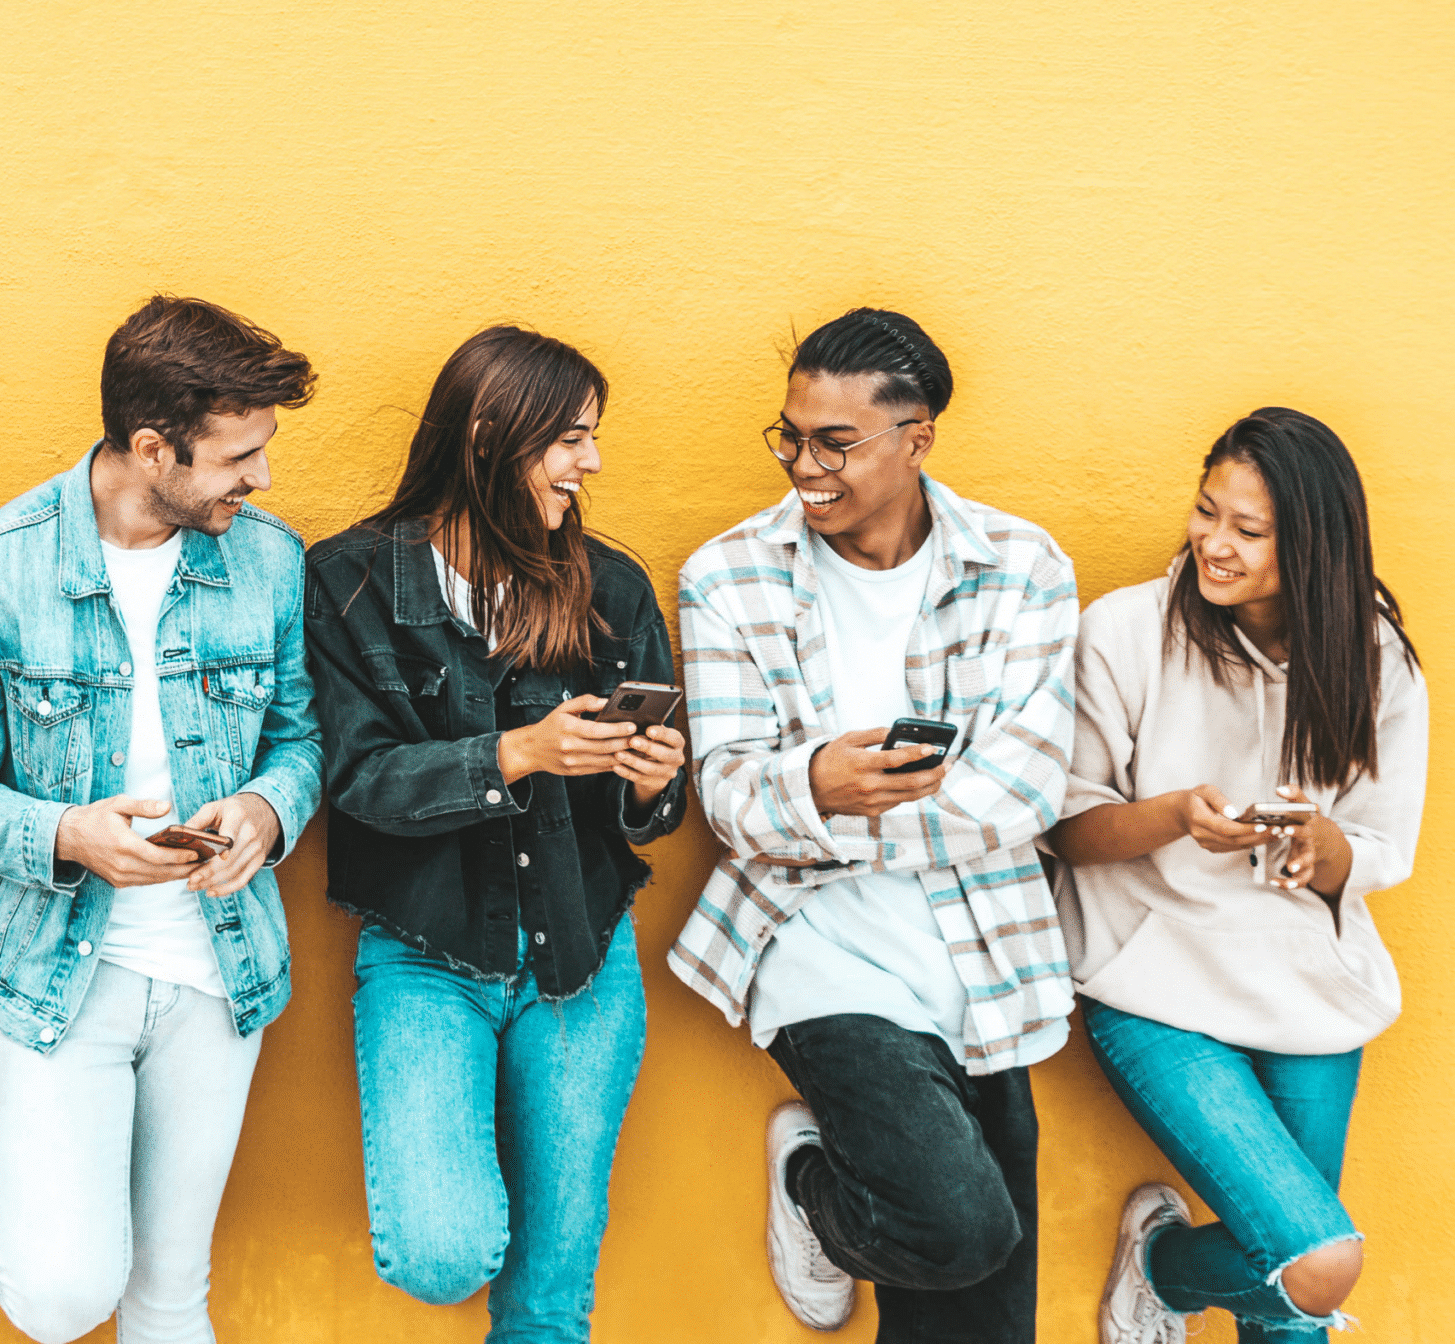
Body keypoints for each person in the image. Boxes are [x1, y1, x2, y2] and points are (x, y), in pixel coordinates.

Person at [0, 296, 322, 1344]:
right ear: (152, 449)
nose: (259, 478)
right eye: (237, 457)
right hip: (55, 973)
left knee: (171, 1291)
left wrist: (267, 812)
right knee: (60, 1293)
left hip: (217, 971)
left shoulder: (269, 561)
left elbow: (301, 740)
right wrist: (66, 836)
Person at [668, 307, 1078, 1343]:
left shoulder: (1023, 567)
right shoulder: (726, 577)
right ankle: (814, 1181)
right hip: (817, 948)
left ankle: (835, 1187)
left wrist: (813, 800)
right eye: (790, 435)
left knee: (984, 1316)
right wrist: (813, 785)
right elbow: (726, 797)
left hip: (984, 950)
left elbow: (1024, 795)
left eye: (835, 441)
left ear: (916, 437)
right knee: (954, 1226)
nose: (804, 465)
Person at [303, 326, 687, 1343]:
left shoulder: (610, 588)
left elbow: (648, 812)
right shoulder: (349, 580)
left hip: (582, 960)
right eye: (568, 438)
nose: (590, 463)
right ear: (487, 436)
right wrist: (515, 755)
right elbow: (354, 782)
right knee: (442, 1253)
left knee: (549, 1300)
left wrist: (651, 785)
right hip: (428, 957)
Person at [1048, 409, 1424, 1344]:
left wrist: (1327, 849)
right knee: (1315, 1262)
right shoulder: (1125, 631)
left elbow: (1382, 845)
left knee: (1295, 1299)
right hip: (1153, 979)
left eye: (1248, 531)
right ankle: (1166, 1270)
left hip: (1307, 987)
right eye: (1206, 510)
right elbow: (1064, 826)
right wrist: (1175, 815)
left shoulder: (1373, 655)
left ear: (1314, 545)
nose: (1214, 543)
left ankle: (1171, 1274)